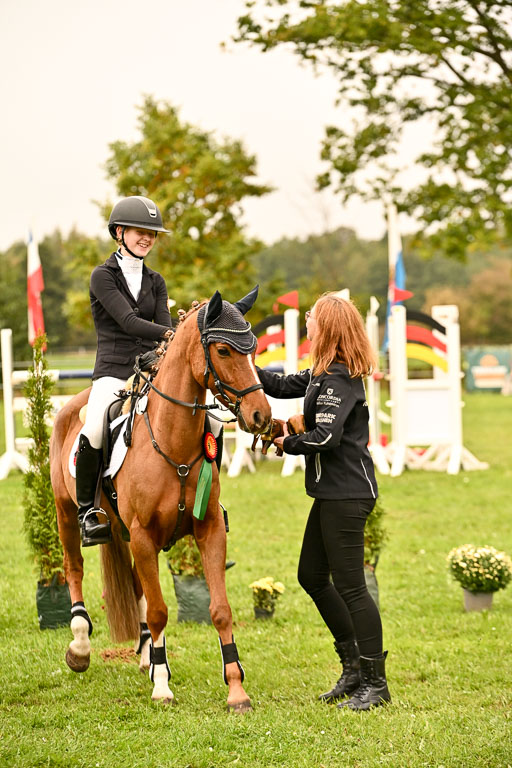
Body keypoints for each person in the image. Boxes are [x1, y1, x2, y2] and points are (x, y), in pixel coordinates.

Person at [257, 293, 391, 711]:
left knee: (352, 587)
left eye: (312, 318)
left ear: (326, 327)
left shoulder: (338, 379)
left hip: (348, 495)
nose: (308, 323)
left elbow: (325, 439)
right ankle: (353, 669)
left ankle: (376, 682)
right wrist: (238, 363)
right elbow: (278, 385)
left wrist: (286, 440)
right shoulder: (321, 373)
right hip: (332, 493)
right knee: (311, 576)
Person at [76, 195, 172, 547]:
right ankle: (87, 512)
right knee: (96, 425)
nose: (147, 238)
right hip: (114, 372)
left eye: (152, 233)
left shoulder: (156, 280)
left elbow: (162, 323)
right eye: (140, 231)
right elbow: (130, 323)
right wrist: (174, 334)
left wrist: (169, 341)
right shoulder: (102, 276)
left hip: (150, 371)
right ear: (120, 232)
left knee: (206, 419)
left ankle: (207, 505)